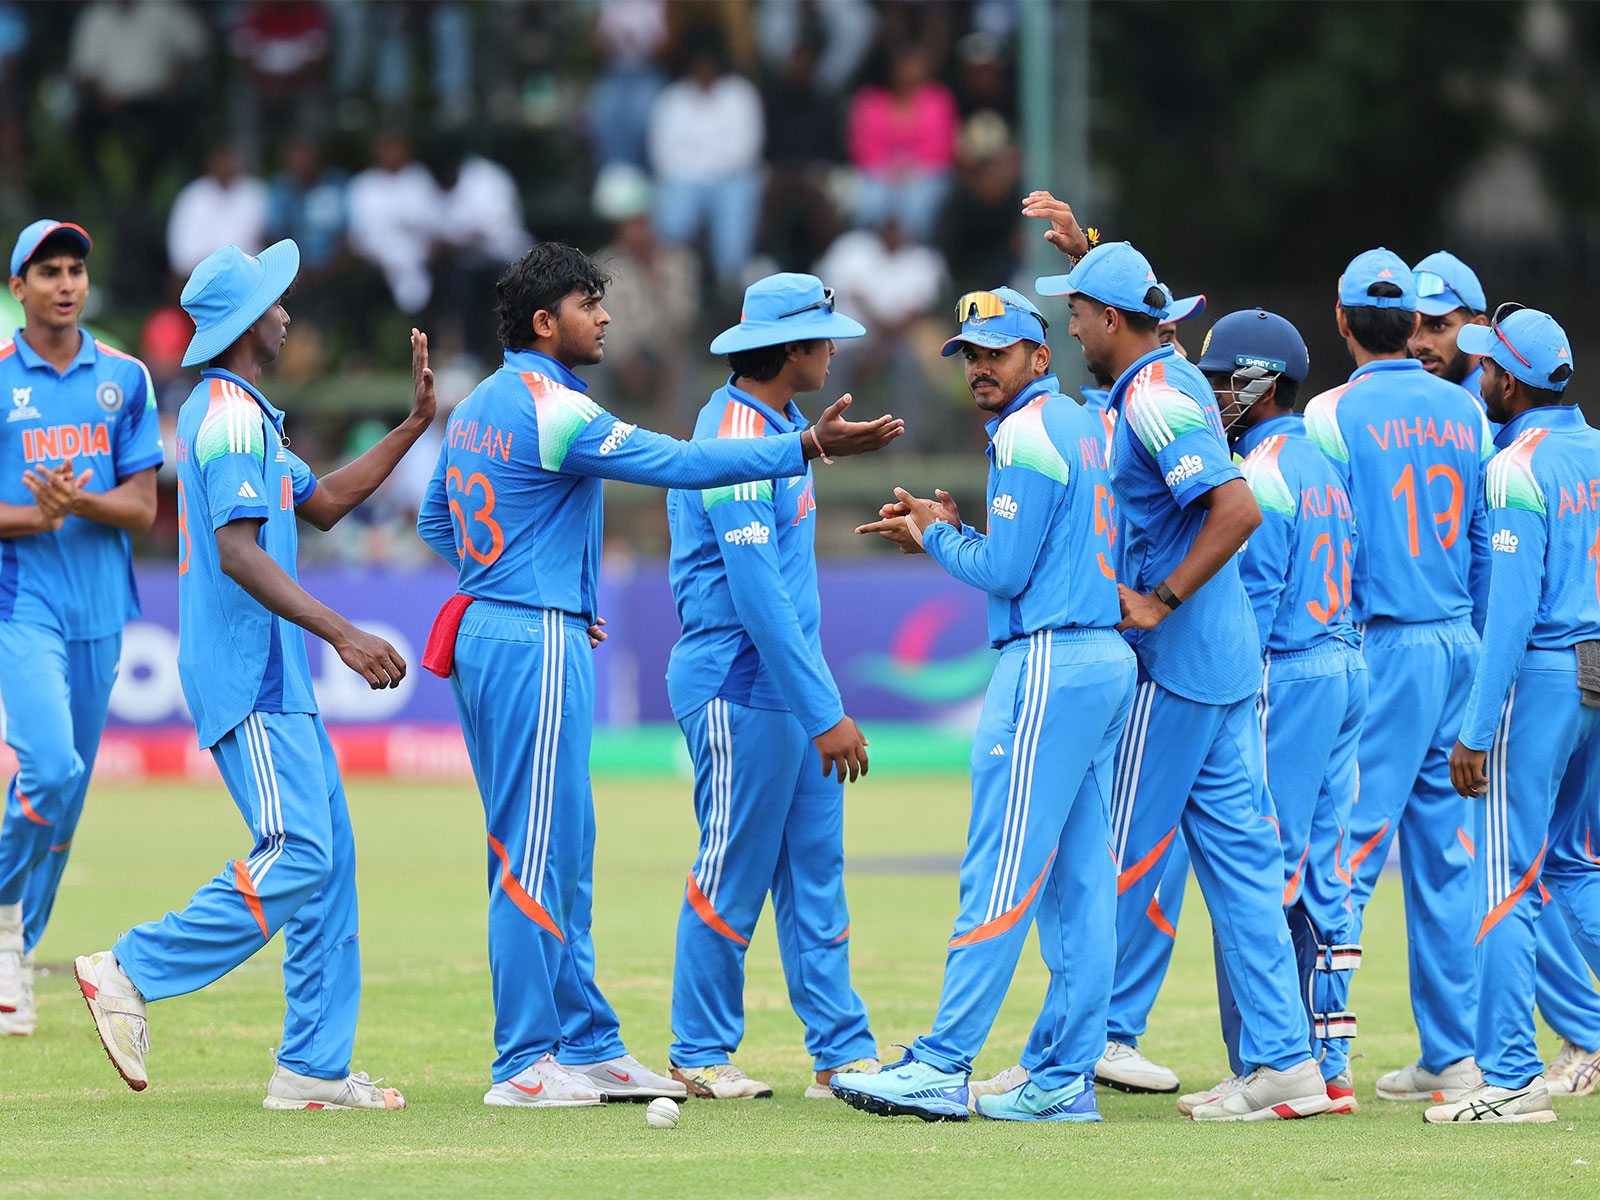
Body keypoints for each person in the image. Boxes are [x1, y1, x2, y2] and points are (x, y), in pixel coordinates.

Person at [415, 244, 901, 1109]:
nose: (605, 318)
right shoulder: (554, 406)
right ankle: (525, 1063)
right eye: (587, 305)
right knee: (537, 853)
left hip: (520, 624)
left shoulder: (480, 406)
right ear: (543, 322)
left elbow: (435, 515)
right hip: (539, 639)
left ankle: (590, 1043)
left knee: (565, 849)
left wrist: (526, 583)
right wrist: (809, 448)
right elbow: (677, 464)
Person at [74, 238, 436, 1110]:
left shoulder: (245, 413)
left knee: (329, 861)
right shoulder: (231, 419)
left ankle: (311, 1067)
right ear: (246, 324)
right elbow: (239, 553)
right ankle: (130, 967)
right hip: (250, 671)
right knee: (302, 851)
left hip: (273, 672)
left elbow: (325, 504)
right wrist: (344, 631)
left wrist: (414, 425)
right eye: (275, 303)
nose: (286, 313)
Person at [1027, 192, 1330, 1122]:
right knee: (1242, 867)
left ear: (1111, 321)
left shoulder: (1157, 396)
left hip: (1178, 665)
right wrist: (1093, 252)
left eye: (1076, 310)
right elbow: (1151, 302)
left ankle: (1063, 1060)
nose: (1068, 325)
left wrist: (1158, 599)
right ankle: (1287, 1063)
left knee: (1103, 857)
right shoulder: (1166, 375)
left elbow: (1235, 509)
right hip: (1223, 663)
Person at [839, 286, 1134, 1123]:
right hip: (1100, 657)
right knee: (1081, 885)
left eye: (997, 352)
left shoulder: (1029, 430)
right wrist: (953, 529)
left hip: (1050, 661)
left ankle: (943, 1063)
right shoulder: (1081, 421)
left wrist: (931, 535)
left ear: (1040, 356)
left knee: (1000, 871)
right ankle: (1062, 1079)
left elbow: (1004, 573)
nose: (979, 368)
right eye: (969, 354)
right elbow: (1033, 551)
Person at [663, 274, 880, 1101]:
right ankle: (699, 1051)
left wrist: (815, 700)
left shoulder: (785, 426)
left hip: (786, 690)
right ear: (790, 349)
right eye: (825, 338)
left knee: (815, 871)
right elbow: (756, 595)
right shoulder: (730, 434)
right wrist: (825, 710)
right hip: (736, 684)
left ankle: (840, 1050)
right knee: (733, 866)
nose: (833, 351)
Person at [1304, 248, 1491, 1105]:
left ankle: (1327, 1054)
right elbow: (1485, 540)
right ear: (1413, 323)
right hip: (1458, 641)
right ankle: (1452, 1055)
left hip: (1379, 644)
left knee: (1347, 850)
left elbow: (1326, 540)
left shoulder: (1330, 415)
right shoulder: (1466, 408)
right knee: (1447, 860)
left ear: (1342, 321)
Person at [1431, 306, 1599, 1124]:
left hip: (1541, 679)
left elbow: (1509, 614)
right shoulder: (1597, 448)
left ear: (1512, 380)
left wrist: (1473, 729)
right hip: (1598, 673)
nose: (1479, 377)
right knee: (1575, 864)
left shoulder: (1514, 465)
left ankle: (1509, 1080)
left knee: (1505, 880)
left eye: (1487, 367)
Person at [1198, 309, 1368, 1112]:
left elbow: (1254, 604)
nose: (1211, 393)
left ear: (1257, 382)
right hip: (1343, 664)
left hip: (1287, 673)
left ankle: (1268, 1068)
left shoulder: (1261, 469)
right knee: (1326, 876)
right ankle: (1328, 1062)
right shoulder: (1321, 462)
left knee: (1256, 869)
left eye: (1220, 377)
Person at [0, 221, 162, 1038]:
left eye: (75, 270)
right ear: (18, 285)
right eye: (48, 271)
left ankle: (16, 955)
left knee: (65, 809)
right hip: (21, 606)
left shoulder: (124, 378)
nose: (65, 284)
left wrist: (76, 503)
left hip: (102, 611)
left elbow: (142, 506)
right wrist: (38, 516)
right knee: (51, 768)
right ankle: (0, 922)